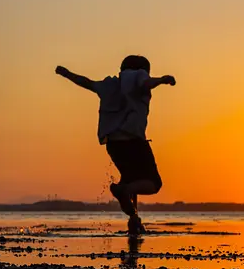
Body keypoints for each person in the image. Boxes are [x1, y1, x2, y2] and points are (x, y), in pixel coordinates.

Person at [55, 56, 175, 234]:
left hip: (113, 144)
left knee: (131, 180)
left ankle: (134, 218)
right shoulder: (139, 76)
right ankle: (124, 191)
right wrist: (163, 79)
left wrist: (66, 74)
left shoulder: (109, 85)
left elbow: (87, 83)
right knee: (153, 183)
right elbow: (146, 83)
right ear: (143, 69)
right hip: (134, 142)